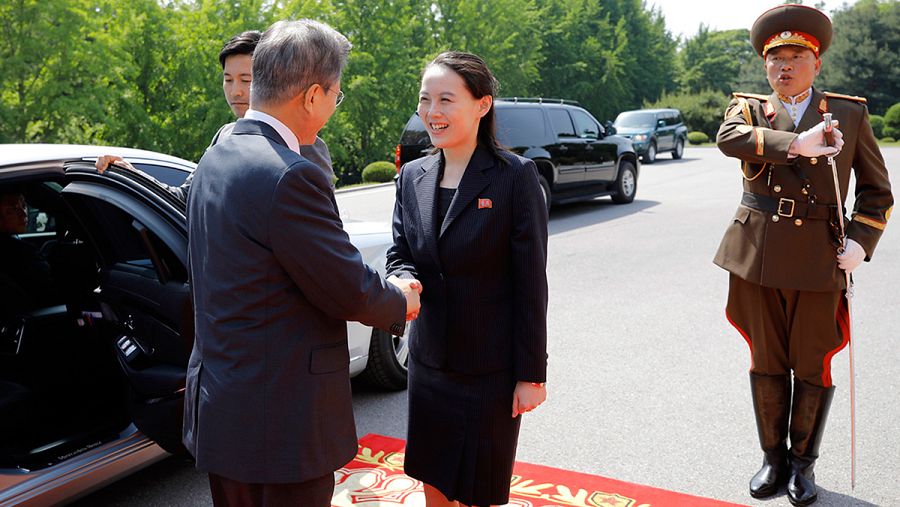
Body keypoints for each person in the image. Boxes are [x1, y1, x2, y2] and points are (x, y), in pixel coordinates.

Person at [183, 19, 421, 507]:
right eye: (336, 94)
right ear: (313, 96)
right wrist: (400, 300)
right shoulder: (290, 173)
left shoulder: (217, 156)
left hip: (224, 409)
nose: (335, 105)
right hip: (280, 421)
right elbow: (344, 285)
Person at [715, 4, 893, 505]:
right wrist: (798, 144)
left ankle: (802, 464)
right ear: (765, 65)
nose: (785, 67)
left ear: (817, 64)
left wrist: (861, 240)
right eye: (776, 59)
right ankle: (772, 458)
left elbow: (877, 192)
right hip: (757, 256)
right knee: (766, 359)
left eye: (796, 57)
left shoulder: (849, 113)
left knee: (812, 363)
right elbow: (728, 140)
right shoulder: (748, 110)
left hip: (819, 257)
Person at [386, 51, 549, 507]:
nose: (432, 112)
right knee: (433, 482)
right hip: (429, 363)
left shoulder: (514, 177)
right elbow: (400, 252)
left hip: (489, 371)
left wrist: (531, 375)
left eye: (446, 99)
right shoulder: (412, 175)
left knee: (479, 489)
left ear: (482, 104)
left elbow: (531, 285)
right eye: (425, 99)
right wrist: (403, 280)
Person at [95, 30, 334, 197]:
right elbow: (186, 197)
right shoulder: (224, 136)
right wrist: (132, 175)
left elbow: (322, 223)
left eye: (246, 80)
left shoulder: (303, 142)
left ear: (270, 81)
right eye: (228, 79)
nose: (236, 91)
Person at [0, 191, 57, 311]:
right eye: (11, 210)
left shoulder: (16, 247)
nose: (23, 213)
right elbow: (48, 290)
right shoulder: (20, 253)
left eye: (23, 205)